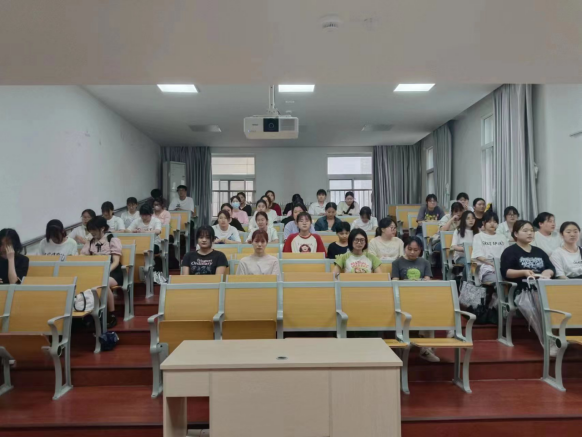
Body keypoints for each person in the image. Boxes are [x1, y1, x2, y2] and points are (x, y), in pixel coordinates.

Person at [500, 220, 556, 354]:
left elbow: (551, 268)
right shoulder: (510, 251)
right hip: (521, 291)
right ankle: (548, 342)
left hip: (543, 289)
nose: (530, 233)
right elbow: (506, 272)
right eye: (525, 230)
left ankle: (557, 338)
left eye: (531, 230)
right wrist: (523, 272)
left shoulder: (539, 251)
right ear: (515, 234)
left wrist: (547, 272)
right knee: (539, 301)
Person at [391, 237, 436, 362]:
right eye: (409, 249)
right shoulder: (397, 263)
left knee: (431, 310)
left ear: (420, 250)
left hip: (421, 297)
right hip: (403, 298)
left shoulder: (425, 262)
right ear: (405, 248)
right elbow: (395, 282)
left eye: (416, 250)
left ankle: (426, 349)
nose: (412, 252)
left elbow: (427, 281)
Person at [81, 217, 123, 328]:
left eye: (94, 229)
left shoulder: (112, 240)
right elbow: (82, 257)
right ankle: (90, 314)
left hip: (113, 273)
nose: (91, 232)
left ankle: (111, 314)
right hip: (95, 272)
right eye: (90, 230)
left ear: (102, 228)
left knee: (103, 282)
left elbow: (116, 262)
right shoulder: (90, 242)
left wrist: (105, 272)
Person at [128, 204, 164, 282]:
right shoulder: (137, 221)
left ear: (150, 214)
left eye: (146, 215)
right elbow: (128, 230)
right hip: (140, 244)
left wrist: (145, 232)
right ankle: (138, 273)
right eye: (142, 215)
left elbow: (158, 231)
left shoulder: (156, 221)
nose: (144, 217)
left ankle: (150, 269)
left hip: (154, 243)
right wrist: (134, 231)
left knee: (149, 250)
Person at [472, 211, 509, 283]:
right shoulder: (478, 236)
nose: (492, 224)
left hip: (503, 268)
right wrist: (494, 265)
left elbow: (508, 254)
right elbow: (478, 256)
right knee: (499, 281)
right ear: (483, 223)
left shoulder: (502, 237)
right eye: (489, 221)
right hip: (487, 268)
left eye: (495, 222)